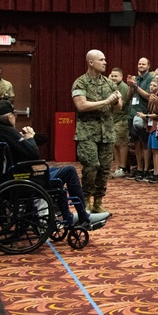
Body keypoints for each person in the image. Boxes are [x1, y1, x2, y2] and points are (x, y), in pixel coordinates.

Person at [0, 100, 108, 229]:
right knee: (70, 171)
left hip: (11, 177)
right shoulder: (8, 131)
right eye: (14, 115)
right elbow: (34, 153)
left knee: (55, 170)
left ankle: (71, 215)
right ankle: (83, 216)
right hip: (22, 179)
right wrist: (30, 138)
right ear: (9, 117)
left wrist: (29, 139)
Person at [71, 50, 122, 214]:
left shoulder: (109, 83)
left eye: (105, 59)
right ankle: (85, 200)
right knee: (91, 166)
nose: (105, 62)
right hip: (87, 133)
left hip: (106, 133)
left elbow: (118, 106)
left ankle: (98, 202)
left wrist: (115, 102)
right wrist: (106, 101)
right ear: (91, 62)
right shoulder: (80, 83)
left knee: (104, 169)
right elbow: (81, 106)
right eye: (101, 60)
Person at [108, 67, 131, 178]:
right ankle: (117, 166)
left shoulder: (123, 87)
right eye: (112, 76)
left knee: (122, 145)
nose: (113, 78)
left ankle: (123, 167)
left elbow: (121, 105)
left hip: (121, 120)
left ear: (121, 77)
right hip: (112, 120)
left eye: (116, 76)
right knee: (115, 145)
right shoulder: (110, 86)